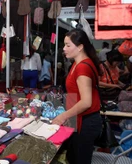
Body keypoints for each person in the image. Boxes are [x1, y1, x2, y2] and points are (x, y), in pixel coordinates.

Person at [52, 29, 102, 164]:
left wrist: (63, 116)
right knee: (73, 157)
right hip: (78, 119)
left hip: (86, 122)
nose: (64, 48)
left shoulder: (82, 67)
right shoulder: (77, 63)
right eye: (64, 45)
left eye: (68, 45)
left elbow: (86, 102)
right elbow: (76, 93)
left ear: (80, 47)